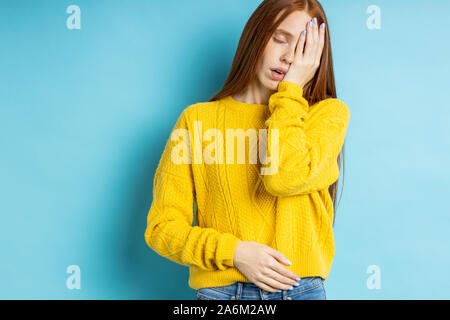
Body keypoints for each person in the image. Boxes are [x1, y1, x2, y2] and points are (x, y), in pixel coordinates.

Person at [144, 0, 350, 300]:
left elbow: (282, 177)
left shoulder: (326, 115)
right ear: (256, 36)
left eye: (304, 48)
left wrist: (290, 90)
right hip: (222, 295)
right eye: (280, 39)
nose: (289, 57)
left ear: (315, 58)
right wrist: (235, 252)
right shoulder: (197, 121)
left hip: (301, 291)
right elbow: (162, 229)